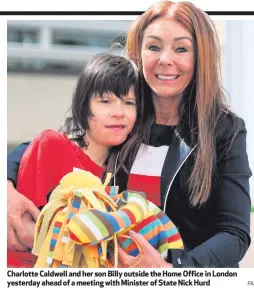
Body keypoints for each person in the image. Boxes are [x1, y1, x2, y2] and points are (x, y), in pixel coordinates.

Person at [8, 1, 252, 268]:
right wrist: (6, 188)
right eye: (154, 47)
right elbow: (52, 145)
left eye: (181, 48)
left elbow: (235, 234)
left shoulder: (224, 129)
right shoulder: (126, 115)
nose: (165, 59)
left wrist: (173, 269)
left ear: (200, 57)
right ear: (139, 52)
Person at [7, 53, 144, 267]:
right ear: (84, 105)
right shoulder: (52, 144)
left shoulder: (124, 173)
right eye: (105, 101)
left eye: (128, 102)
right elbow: (24, 232)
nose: (119, 112)